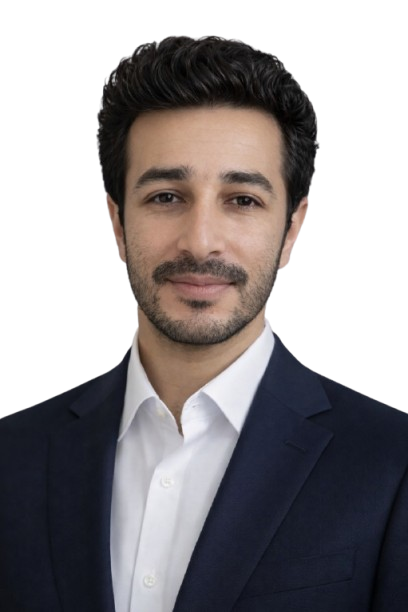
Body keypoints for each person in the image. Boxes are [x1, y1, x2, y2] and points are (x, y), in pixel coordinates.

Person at [0, 35, 407, 612]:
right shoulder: (11, 455)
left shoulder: (393, 461)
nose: (200, 241)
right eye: (167, 197)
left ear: (291, 230)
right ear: (117, 223)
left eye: (242, 200)